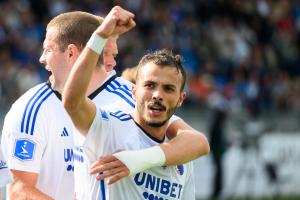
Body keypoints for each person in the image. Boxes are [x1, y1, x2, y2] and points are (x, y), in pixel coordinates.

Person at [2, 7, 209, 200]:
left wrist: (137, 160)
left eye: (47, 49)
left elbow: (196, 141)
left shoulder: (131, 95)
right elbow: (18, 190)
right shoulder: (30, 109)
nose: (40, 59)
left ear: (71, 53)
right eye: (108, 53)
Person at [62, 6, 206, 199]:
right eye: (149, 85)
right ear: (134, 91)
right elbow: (72, 103)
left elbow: (201, 143)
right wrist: (100, 36)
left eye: (168, 89)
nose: (157, 95)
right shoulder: (110, 126)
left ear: (181, 99)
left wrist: (137, 160)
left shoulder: (181, 155)